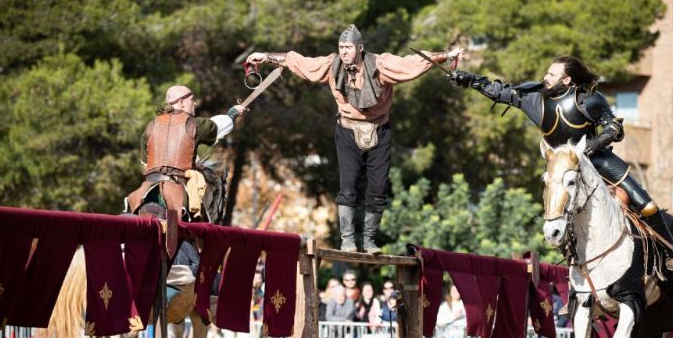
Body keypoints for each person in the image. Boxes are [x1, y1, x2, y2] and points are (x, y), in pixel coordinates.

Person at [449, 57, 673, 279]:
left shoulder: (589, 100)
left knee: (648, 206)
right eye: (547, 73)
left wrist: (594, 144)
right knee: (557, 214)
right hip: (562, 168)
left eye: (552, 74)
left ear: (567, 79)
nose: (545, 77)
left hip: (597, 160)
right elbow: (500, 92)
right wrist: (469, 79)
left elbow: (614, 128)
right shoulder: (535, 99)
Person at [247, 26, 463, 253]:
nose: (344, 51)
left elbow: (411, 63)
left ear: (360, 48)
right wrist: (266, 57)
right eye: (341, 47)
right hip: (347, 131)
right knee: (348, 188)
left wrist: (446, 55)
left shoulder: (380, 65)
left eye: (348, 47)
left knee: (378, 189)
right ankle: (348, 239)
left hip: (379, 131)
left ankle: (369, 241)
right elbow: (299, 61)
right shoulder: (331, 65)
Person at [126, 85, 245, 220]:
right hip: (177, 192)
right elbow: (218, 127)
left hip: (147, 190)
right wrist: (232, 113)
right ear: (181, 102)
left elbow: (145, 162)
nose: (194, 103)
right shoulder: (193, 124)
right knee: (198, 224)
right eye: (192, 99)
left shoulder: (151, 125)